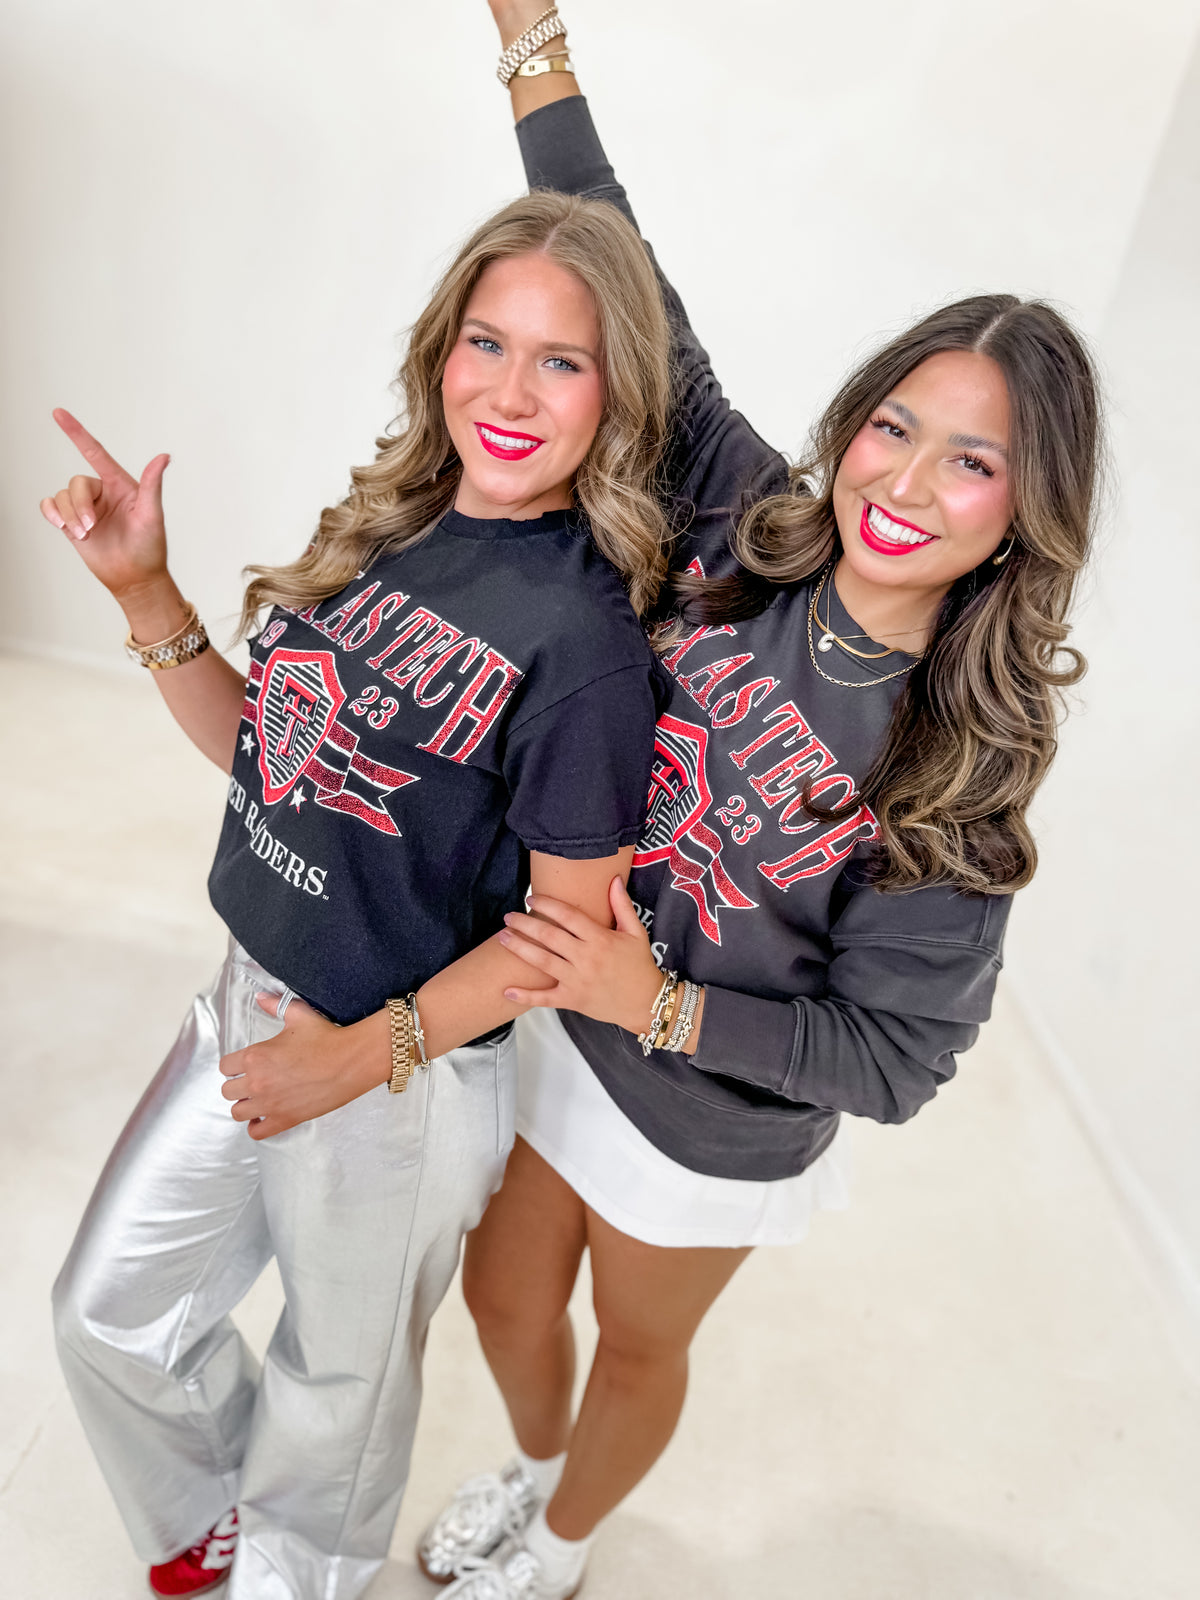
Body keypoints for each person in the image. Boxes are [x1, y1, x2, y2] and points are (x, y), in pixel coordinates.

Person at [409, 8, 1104, 1599]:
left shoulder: (962, 773)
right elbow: (621, 260)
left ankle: (566, 1548)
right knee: (507, 1305)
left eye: (973, 465)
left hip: (709, 1112)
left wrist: (657, 1006)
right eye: (895, 427)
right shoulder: (750, 525)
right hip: (557, 1021)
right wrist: (534, 36)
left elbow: (899, 1058)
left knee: (636, 1349)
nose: (907, 483)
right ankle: (527, 1467)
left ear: (1023, 513)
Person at [41, 185, 678, 1600]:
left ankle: (292, 1574)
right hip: (247, 1004)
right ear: (440, 350)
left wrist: (357, 1057)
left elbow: (563, 941)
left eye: (561, 361)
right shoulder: (397, 526)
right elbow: (266, 762)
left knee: (336, 1413)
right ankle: (216, 1524)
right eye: (487, 343)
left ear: (616, 391)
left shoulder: (584, 648)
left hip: (399, 1078)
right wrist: (147, 593)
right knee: (108, 1317)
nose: (512, 391)